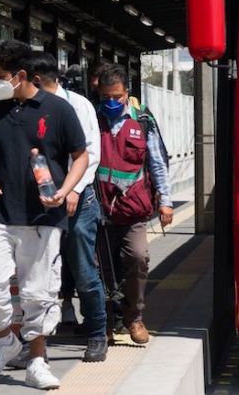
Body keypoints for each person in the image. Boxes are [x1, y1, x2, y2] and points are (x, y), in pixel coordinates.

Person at [0, 41, 88, 389]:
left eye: (2, 77)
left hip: (43, 216)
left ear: (21, 76)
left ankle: (37, 360)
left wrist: (66, 191)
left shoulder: (59, 110)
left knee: (39, 293)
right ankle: (6, 341)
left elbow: (80, 155)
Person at [26, 51, 106, 362]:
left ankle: (97, 332)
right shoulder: (29, 107)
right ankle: (35, 343)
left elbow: (89, 154)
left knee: (84, 270)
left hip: (77, 200)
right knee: (39, 273)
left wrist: (72, 189)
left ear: (35, 80)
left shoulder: (78, 104)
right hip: (44, 201)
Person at [95, 64, 173, 345]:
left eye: (116, 96)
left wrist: (166, 201)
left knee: (137, 258)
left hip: (133, 210)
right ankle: (102, 321)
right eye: (105, 97)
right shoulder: (92, 120)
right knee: (100, 268)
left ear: (127, 93)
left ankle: (134, 318)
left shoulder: (142, 121)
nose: (111, 103)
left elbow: (157, 163)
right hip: (100, 211)